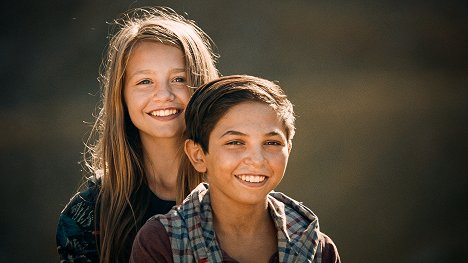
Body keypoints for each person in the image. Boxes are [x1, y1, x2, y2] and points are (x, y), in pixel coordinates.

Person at [56, 6, 219, 263]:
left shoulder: (236, 191)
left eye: (179, 79)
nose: (164, 94)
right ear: (121, 96)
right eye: (145, 81)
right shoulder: (88, 215)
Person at [130, 75, 340, 262]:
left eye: (272, 143)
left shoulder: (318, 249)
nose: (257, 160)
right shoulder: (162, 243)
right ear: (198, 154)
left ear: (289, 149)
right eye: (235, 143)